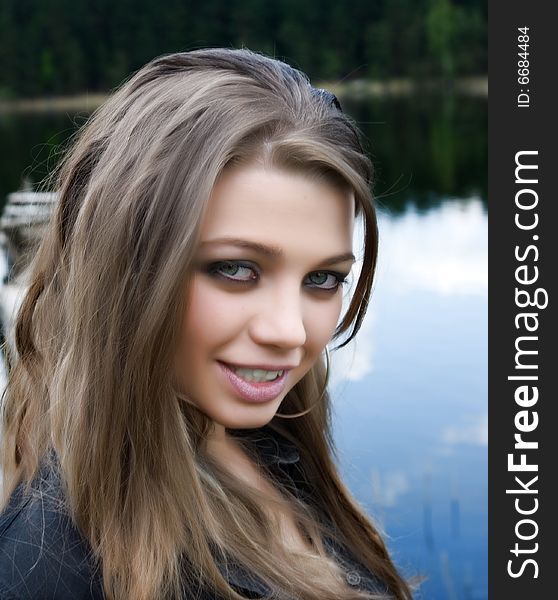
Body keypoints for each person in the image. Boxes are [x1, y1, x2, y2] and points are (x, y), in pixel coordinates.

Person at [0, 48, 414, 600]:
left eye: (322, 279)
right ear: (122, 267)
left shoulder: (268, 437)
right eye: (236, 269)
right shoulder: (52, 566)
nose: (290, 331)